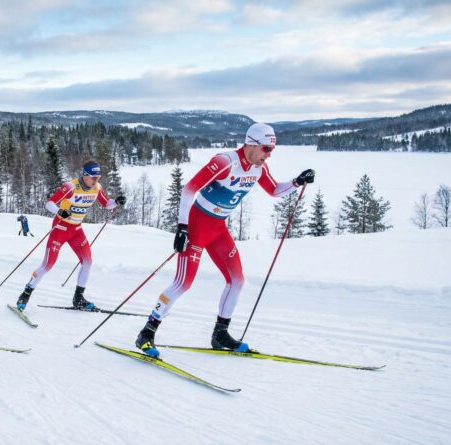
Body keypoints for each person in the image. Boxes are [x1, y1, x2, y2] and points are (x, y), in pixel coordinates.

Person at [134, 123, 315, 358]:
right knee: (183, 283)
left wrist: (296, 182)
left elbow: (273, 191)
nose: (268, 155)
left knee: (237, 280)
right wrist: (182, 227)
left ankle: (220, 334)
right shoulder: (225, 162)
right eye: (265, 149)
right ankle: (146, 333)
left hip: (218, 228)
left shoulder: (259, 167)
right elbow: (189, 189)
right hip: (198, 226)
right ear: (250, 144)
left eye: (272, 150)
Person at [15, 161, 126, 311]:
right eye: (93, 177)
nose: (96, 181)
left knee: (88, 261)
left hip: (76, 230)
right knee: (48, 265)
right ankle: (26, 292)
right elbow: (49, 203)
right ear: (85, 175)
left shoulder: (97, 188)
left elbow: (107, 204)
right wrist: (59, 211)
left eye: (98, 177)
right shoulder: (70, 187)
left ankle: (78, 299)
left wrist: (117, 202)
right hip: (60, 229)